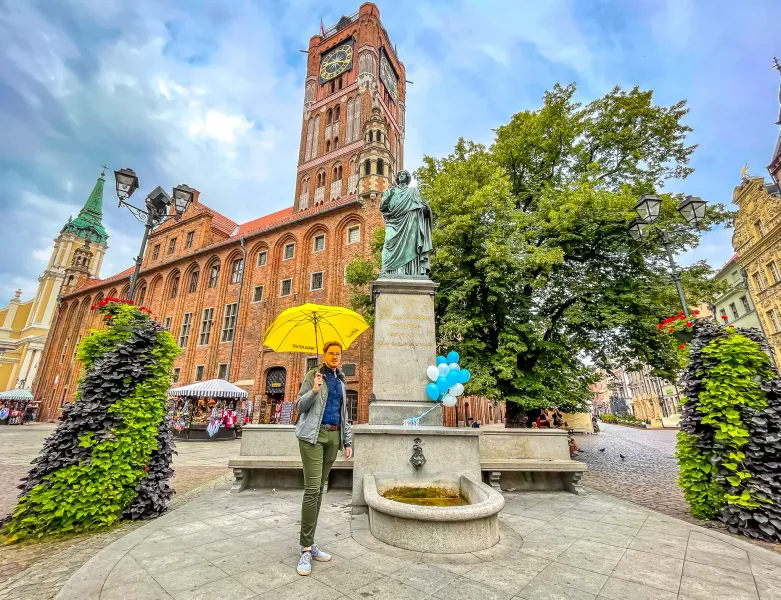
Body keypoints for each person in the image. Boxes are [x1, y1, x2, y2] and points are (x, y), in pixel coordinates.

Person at [294, 341, 353, 576]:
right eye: (331, 354)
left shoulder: (341, 380)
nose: (335, 357)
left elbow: (344, 413)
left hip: (333, 437)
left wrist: (347, 441)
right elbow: (299, 406)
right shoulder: (313, 376)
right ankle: (306, 549)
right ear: (324, 355)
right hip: (313, 437)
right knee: (311, 490)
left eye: (338, 354)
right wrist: (315, 389)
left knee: (320, 488)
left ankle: (310, 542)